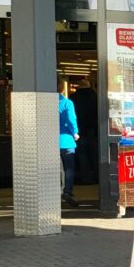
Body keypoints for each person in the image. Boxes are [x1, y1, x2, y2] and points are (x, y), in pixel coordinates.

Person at [70, 77, 98, 186]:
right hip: (93, 131)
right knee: (94, 155)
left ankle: (86, 178)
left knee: (82, 155)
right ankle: (97, 177)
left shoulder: (73, 97)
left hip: (79, 130)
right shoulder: (96, 96)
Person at [58, 78, 80, 208]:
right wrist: (75, 132)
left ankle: (55, 191)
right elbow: (71, 119)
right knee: (69, 168)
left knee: (54, 169)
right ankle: (67, 192)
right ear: (62, 88)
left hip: (50, 141)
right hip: (66, 140)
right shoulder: (67, 103)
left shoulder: (45, 103)